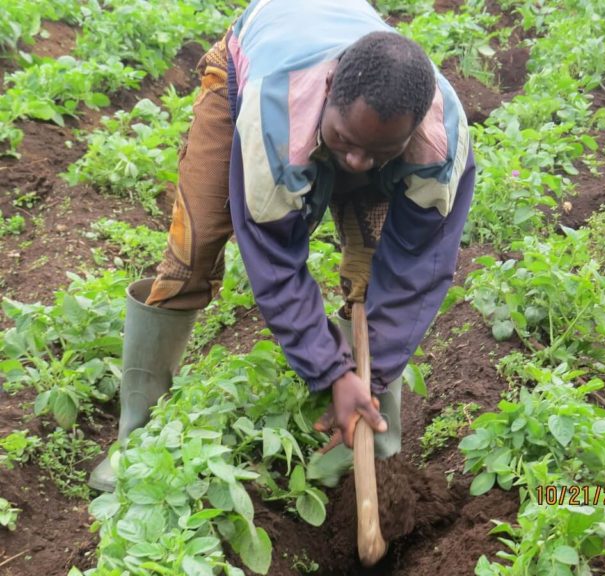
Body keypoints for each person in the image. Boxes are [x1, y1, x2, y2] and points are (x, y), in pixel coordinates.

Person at [88, 0, 475, 492]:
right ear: (331, 88)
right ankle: (136, 440)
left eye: (378, 152)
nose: (357, 163)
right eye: (346, 141)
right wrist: (332, 372)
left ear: (415, 127)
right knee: (195, 248)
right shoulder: (274, 117)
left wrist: (365, 380)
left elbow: (418, 271)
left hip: (352, 91)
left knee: (375, 273)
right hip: (257, 57)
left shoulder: (439, 144)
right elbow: (274, 262)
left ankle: (369, 435)